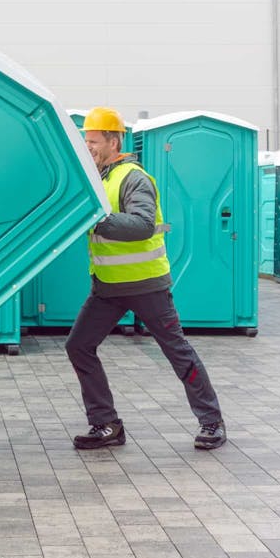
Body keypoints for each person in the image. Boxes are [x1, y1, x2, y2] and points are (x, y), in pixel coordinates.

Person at [65, 107, 226, 450]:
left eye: (94, 142)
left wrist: (95, 218)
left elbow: (140, 226)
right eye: (86, 142)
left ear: (114, 140)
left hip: (146, 287)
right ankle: (106, 424)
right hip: (107, 288)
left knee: (177, 352)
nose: (89, 147)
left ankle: (212, 422)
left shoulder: (133, 178)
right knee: (78, 345)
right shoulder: (101, 178)